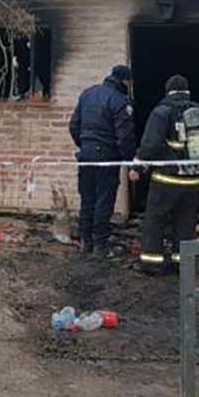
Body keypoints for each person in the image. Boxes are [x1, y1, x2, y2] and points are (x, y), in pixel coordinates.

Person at [135, 74, 199, 273]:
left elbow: (151, 145)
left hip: (166, 180)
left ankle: (152, 263)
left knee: (155, 221)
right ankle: (182, 264)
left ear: (168, 91)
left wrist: (138, 164)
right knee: (185, 223)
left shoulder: (162, 112)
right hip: (192, 181)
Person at [69, 65, 136, 257]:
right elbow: (125, 136)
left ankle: (85, 242)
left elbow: (74, 125)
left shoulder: (87, 94)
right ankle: (100, 246)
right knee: (104, 201)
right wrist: (129, 160)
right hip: (107, 158)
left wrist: (84, 145)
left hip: (86, 157)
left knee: (87, 199)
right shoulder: (120, 101)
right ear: (125, 82)